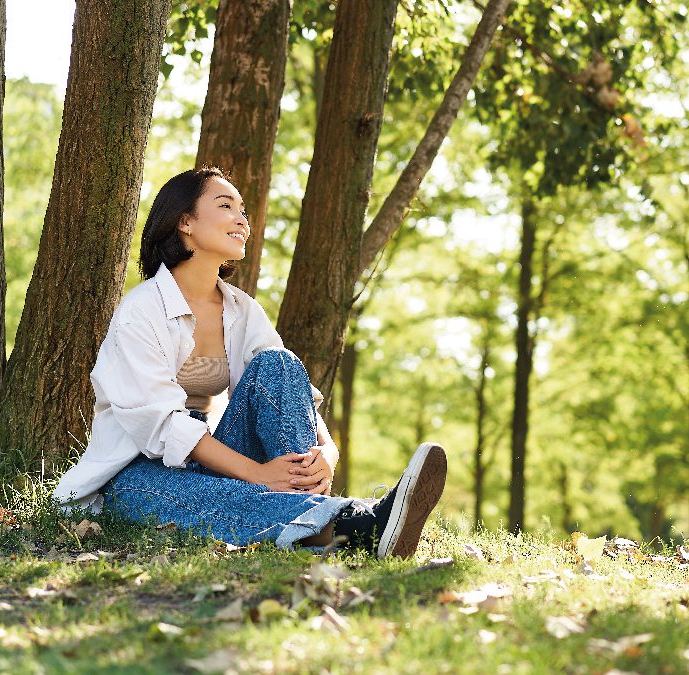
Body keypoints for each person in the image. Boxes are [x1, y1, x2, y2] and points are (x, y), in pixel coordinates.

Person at [52, 166, 447, 558]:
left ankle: (327, 511)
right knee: (199, 494)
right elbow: (163, 425)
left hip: (219, 459)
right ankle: (358, 524)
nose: (242, 219)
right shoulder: (141, 311)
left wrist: (328, 453)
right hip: (138, 474)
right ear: (185, 222)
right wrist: (258, 473)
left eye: (243, 210)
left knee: (278, 363)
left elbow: (291, 391)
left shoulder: (242, 309)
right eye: (226, 205)